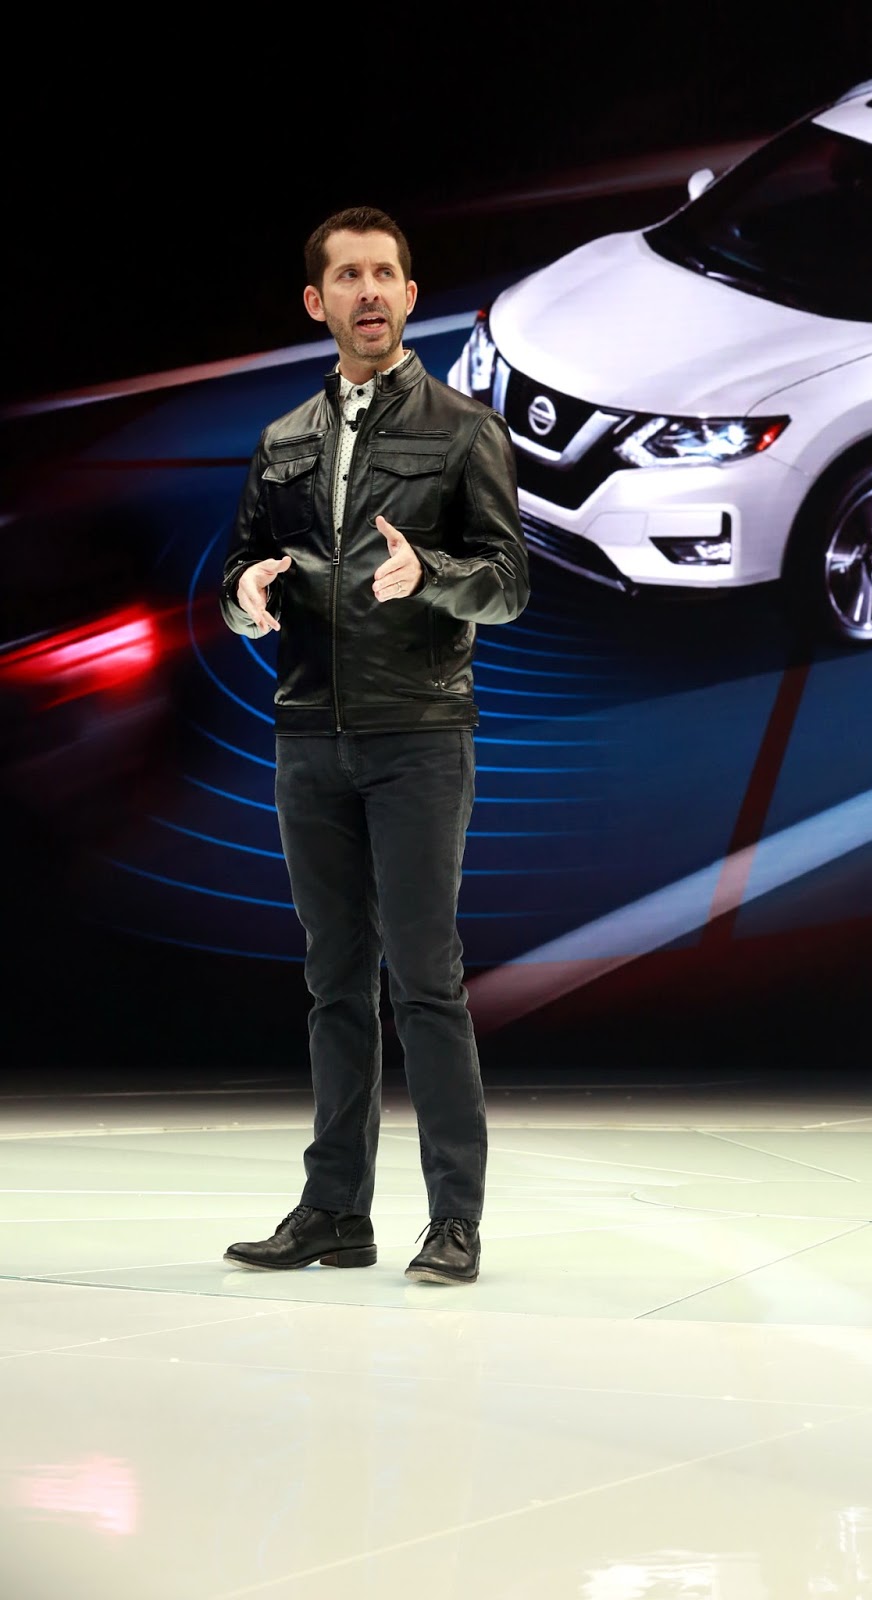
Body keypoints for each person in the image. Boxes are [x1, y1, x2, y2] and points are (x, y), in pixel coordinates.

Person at [219, 205, 529, 1284]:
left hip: (420, 733)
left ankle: (454, 1220)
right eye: (347, 276)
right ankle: (333, 1212)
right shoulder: (283, 441)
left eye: (384, 274)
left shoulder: (463, 430)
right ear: (318, 301)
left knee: (426, 980)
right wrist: (246, 597)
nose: (367, 292)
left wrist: (430, 574)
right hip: (309, 735)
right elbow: (239, 568)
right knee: (334, 980)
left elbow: (509, 583)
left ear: (408, 294)